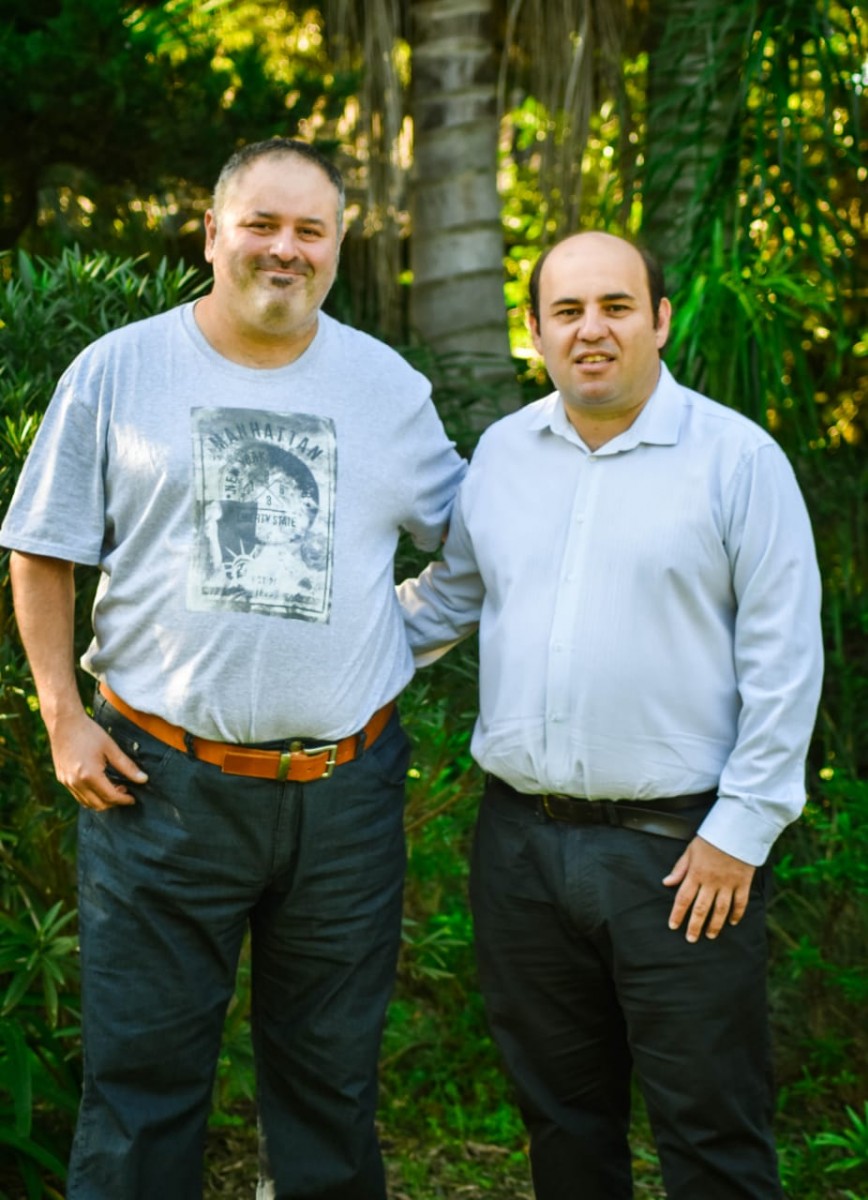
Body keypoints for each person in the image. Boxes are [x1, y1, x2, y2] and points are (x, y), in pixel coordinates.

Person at [1, 137, 465, 1200]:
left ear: (339, 247)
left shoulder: (384, 387)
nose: (284, 248)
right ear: (212, 233)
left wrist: (392, 640)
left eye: (311, 230)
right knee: (140, 1092)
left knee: (330, 1090)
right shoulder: (119, 370)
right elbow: (42, 549)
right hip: (158, 789)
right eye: (262, 223)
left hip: (343, 799)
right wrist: (63, 718)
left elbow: (477, 548)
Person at [397, 231, 823, 1199]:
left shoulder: (736, 461)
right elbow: (446, 605)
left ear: (659, 320)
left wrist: (740, 834)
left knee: (709, 1128)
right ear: (535, 332)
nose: (592, 330)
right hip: (521, 851)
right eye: (567, 311)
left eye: (616, 307)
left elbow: (786, 661)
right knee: (561, 1122)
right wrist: (299, 633)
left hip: (681, 858)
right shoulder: (503, 455)